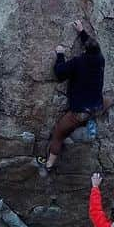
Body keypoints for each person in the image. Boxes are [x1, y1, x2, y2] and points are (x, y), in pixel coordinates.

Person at [42, 18, 107, 172]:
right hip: (97, 106)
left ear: (84, 50)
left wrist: (60, 55)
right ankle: (90, 123)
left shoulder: (78, 62)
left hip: (79, 112)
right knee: (108, 101)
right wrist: (82, 31)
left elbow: (60, 73)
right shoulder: (100, 59)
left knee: (58, 133)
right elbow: (92, 45)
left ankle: (49, 164)